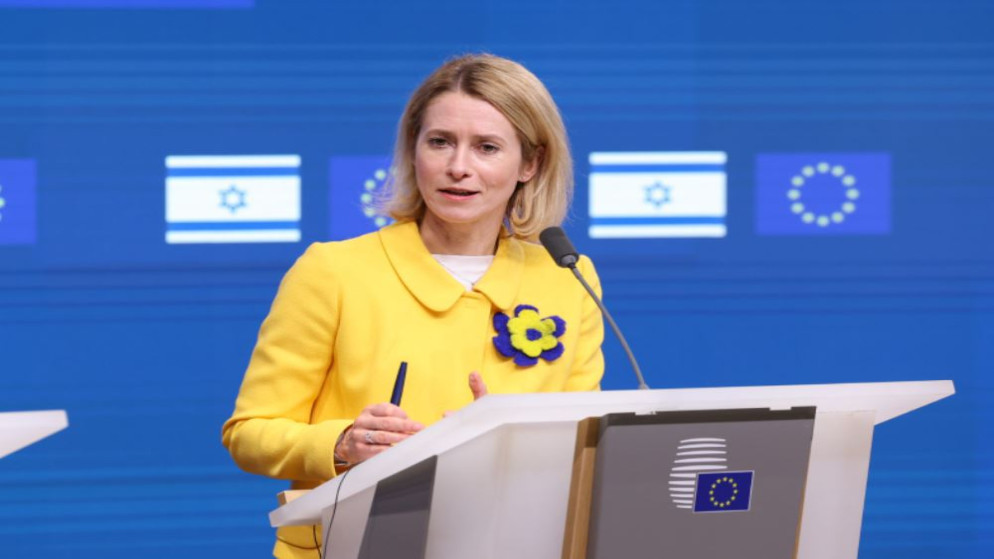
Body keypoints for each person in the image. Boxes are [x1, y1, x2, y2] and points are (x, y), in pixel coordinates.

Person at [221, 53, 605, 559]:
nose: (458, 167)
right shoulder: (333, 271)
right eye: (440, 142)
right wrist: (341, 444)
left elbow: (585, 444)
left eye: (487, 147)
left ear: (530, 164)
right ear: (413, 149)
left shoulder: (567, 276)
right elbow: (250, 433)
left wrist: (511, 442)